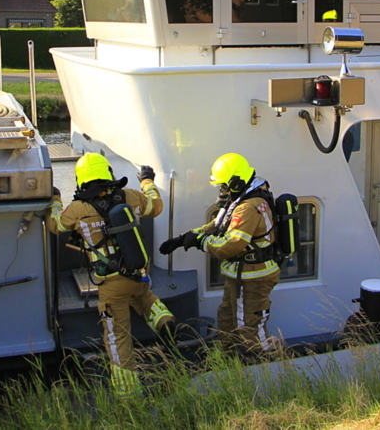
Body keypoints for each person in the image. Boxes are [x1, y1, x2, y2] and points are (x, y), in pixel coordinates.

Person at [46, 153, 174, 396]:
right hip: (138, 273)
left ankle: (127, 392)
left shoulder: (78, 209)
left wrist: (55, 199)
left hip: (111, 283)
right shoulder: (130, 196)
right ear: (108, 172)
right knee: (141, 295)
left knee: (117, 336)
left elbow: (55, 225)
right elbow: (155, 207)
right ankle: (163, 318)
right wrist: (147, 181)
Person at [160, 153, 280, 353]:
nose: (221, 190)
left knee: (249, 326)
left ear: (235, 182)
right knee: (227, 318)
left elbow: (231, 244)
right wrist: (185, 238)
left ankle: (263, 367)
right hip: (240, 275)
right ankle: (231, 364)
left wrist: (200, 242)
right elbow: (217, 226)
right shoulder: (242, 200)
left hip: (253, 277)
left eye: (223, 185)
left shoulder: (247, 208)